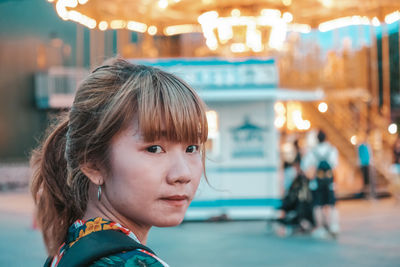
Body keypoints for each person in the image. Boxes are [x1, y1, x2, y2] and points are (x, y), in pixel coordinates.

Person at [30, 58, 208, 266]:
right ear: (92, 163)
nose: (182, 174)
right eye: (154, 149)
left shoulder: (70, 249)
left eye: (191, 148)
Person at [301, 129, 339, 239]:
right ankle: (333, 226)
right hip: (330, 182)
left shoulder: (312, 151)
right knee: (331, 205)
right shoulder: (332, 150)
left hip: (316, 183)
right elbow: (335, 166)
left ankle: (320, 227)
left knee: (318, 205)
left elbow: (305, 167)